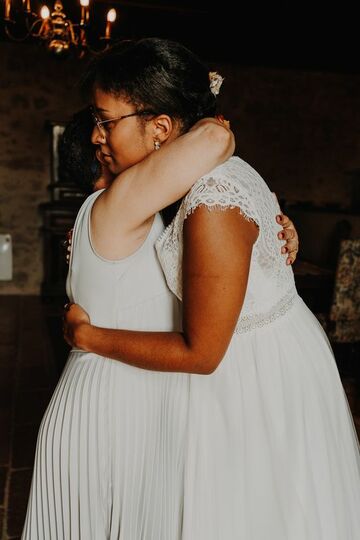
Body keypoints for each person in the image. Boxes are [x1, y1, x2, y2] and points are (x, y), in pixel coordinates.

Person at [61, 37, 360, 539]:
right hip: (252, 360)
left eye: (105, 120)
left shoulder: (211, 197)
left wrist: (86, 337)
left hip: (249, 380)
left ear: (159, 128)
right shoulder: (185, 186)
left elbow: (201, 352)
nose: (96, 136)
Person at [20, 38, 294, 540]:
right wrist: (212, 121)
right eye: (97, 126)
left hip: (123, 401)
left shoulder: (147, 211)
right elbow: (213, 143)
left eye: (107, 121)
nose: (101, 134)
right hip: (107, 406)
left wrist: (265, 241)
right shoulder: (119, 202)